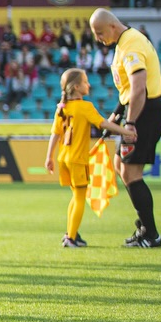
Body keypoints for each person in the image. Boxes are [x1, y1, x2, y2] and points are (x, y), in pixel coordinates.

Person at [89, 8, 161, 247]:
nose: (98, 38)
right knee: (120, 166)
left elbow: (139, 88)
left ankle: (151, 235)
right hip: (138, 109)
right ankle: (145, 227)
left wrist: (130, 123)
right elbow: (128, 91)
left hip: (145, 112)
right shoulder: (124, 43)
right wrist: (117, 114)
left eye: (100, 33)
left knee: (131, 173)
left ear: (112, 26)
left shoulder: (131, 44)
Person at [44, 68, 127, 248]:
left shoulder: (62, 108)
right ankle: (71, 238)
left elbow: (55, 134)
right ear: (76, 87)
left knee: (75, 196)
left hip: (64, 158)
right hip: (78, 159)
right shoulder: (85, 107)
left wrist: (49, 156)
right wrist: (126, 131)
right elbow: (103, 123)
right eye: (85, 81)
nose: (88, 84)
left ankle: (71, 233)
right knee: (81, 197)